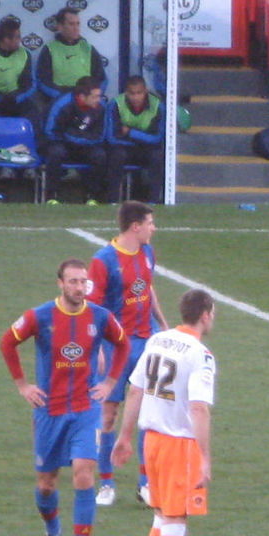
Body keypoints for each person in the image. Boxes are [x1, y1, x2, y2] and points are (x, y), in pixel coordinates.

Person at [0, 258, 129, 536]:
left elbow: (122, 344)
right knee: (46, 484)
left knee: (84, 473)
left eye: (83, 281)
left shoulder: (100, 317)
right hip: (49, 412)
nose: (79, 287)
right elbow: (7, 342)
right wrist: (23, 385)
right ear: (60, 283)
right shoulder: (40, 316)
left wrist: (110, 382)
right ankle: (53, 531)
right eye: (72, 281)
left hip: (85, 410)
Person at [111, 289, 216, 536]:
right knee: (174, 521)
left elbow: (136, 389)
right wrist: (205, 457)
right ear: (205, 315)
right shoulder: (200, 354)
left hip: (151, 441)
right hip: (178, 445)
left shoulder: (158, 340)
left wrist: (125, 436)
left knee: (160, 517)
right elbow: (199, 408)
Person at [87, 200, 167, 507]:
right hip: (115, 345)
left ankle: (145, 482)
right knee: (109, 413)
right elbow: (92, 309)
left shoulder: (147, 252)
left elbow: (147, 287)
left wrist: (162, 323)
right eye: (150, 222)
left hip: (147, 341)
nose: (153, 228)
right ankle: (106, 483)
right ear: (136, 227)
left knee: (149, 413)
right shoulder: (104, 260)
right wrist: (98, 348)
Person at [43, 74, 107, 204]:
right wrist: (74, 137)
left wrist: (74, 136)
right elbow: (51, 131)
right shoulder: (62, 104)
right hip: (62, 144)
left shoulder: (101, 108)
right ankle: (52, 196)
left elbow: (99, 136)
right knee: (55, 153)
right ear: (82, 97)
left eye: (99, 96)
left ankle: (92, 196)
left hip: (86, 145)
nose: (98, 100)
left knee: (100, 155)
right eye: (95, 97)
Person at [106, 75, 165, 205]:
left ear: (145, 91)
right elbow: (111, 138)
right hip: (124, 148)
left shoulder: (157, 106)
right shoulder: (115, 104)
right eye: (132, 93)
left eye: (139, 93)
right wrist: (142, 137)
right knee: (116, 155)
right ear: (126, 92)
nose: (136, 97)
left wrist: (130, 132)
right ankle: (113, 201)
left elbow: (158, 138)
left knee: (157, 156)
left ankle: (153, 201)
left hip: (146, 150)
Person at [36, 6, 106, 102]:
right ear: (60, 27)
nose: (76, 28)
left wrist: (90, 95)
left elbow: (102, 79)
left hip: (86, 100)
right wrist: (63, 97)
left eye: (78, 24)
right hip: (60, 100)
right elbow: (42, 81)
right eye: (71, 24)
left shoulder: (88, 48)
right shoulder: (49, 49)